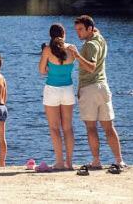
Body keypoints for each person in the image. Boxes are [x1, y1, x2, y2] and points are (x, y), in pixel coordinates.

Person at [67, 15, 126, 175]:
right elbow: (95, 30)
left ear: (89, 29)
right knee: (108, 127)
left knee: (91, 127)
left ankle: (96, 161)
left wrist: (76, 55)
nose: (78, 33)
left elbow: (91, 67)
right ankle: (119, 160)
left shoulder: (90, 46)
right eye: (76, 30)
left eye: (80, 29)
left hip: (90, 88)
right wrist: (91, 28)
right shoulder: (100, 38)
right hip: (103, 87)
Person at [38, 23, 77, 171]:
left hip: (52, 90)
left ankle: (59, 162)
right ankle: (70, 162)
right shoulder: (72, 49)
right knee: (68, 127)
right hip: (68, 90)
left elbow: (42, 71)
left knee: (54, 128)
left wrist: (49, 67)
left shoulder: (48, 50)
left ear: (50, 35)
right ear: (64, 33)